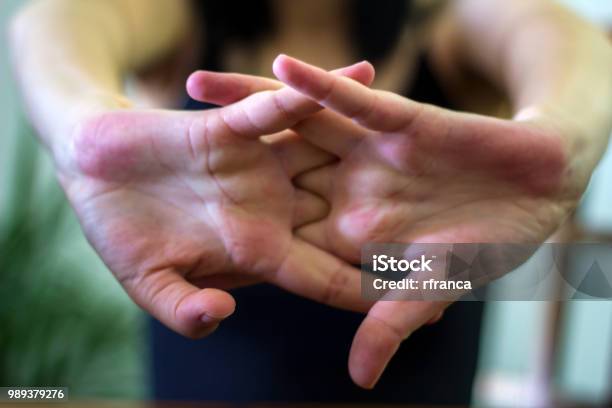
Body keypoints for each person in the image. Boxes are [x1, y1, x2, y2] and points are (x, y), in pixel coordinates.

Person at [8, 0, 612, 403]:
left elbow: (574, 45)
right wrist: (80, 129)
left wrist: (561, 134)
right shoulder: (183, 20)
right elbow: (53, 23)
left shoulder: (446, 26)